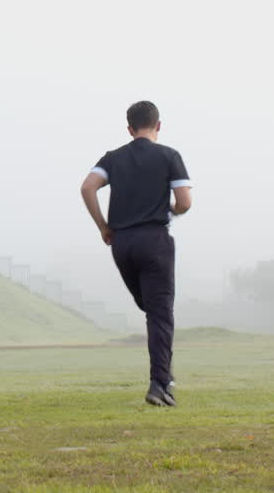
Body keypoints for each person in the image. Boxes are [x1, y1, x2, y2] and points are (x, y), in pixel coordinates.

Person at [80, 101, 193, 407]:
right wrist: (168, 209)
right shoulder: (169, 156)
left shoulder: (113, 158)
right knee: (159, 313)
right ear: (159, 125)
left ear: (129, 128)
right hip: (154, 240)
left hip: (122, 244)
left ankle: (163, 375)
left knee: (150, 309)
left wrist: (103, 226)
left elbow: (88, 187)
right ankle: (160, 384)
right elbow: (184, 202)